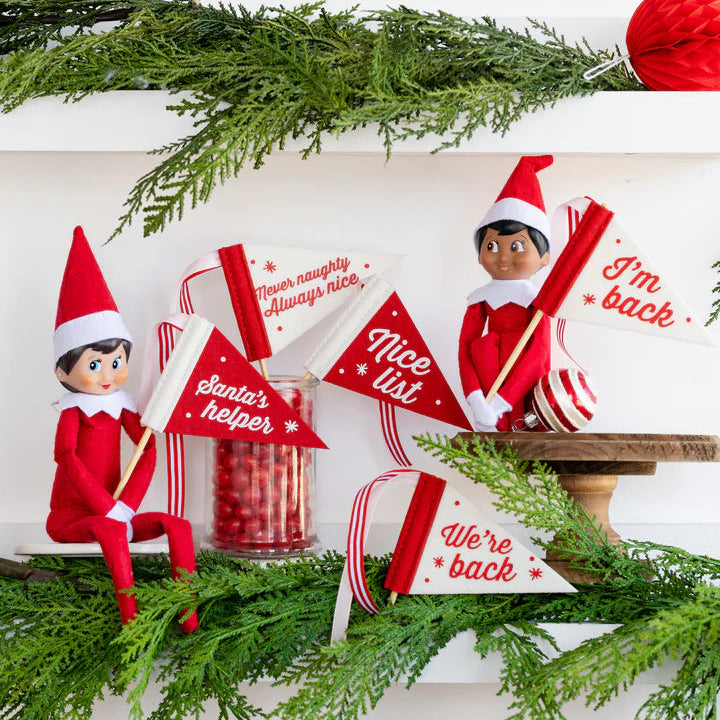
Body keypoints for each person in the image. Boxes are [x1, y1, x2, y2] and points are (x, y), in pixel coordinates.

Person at [48, 226, 198, 631]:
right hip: (75, 518)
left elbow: (147, 448)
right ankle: (133, 625)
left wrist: (127, 504)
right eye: (95, 365)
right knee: (112, 532)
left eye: (116, 362)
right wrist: (107, 507)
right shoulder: (73, 412)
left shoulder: (121, 406)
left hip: (118, 511)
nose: (108, 375)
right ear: (63, 372)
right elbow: (66, 457)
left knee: (178, 525)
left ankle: (188, 612)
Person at [458, 156, 553, 432]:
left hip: (527, 394)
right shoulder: (479, 300)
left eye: (516, 247)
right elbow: (465, 348)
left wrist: (502, 402)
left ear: (544, 256)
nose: (501, 258)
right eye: (491, 246)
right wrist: (476, 398)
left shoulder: (539, 301)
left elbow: (539, 352)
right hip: (487, 387)